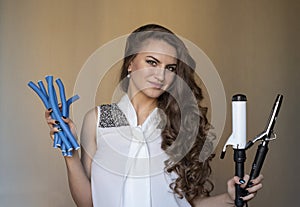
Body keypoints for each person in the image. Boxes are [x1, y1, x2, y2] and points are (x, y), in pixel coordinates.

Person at [45, 24, 263, 207]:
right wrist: (70, 153)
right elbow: (89, 202)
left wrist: (230, 198)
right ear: (130, 63)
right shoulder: (100, 120)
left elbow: (191, 202)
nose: (160, 75)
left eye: (170, 68)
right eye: (152, 62)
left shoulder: (180, 125)